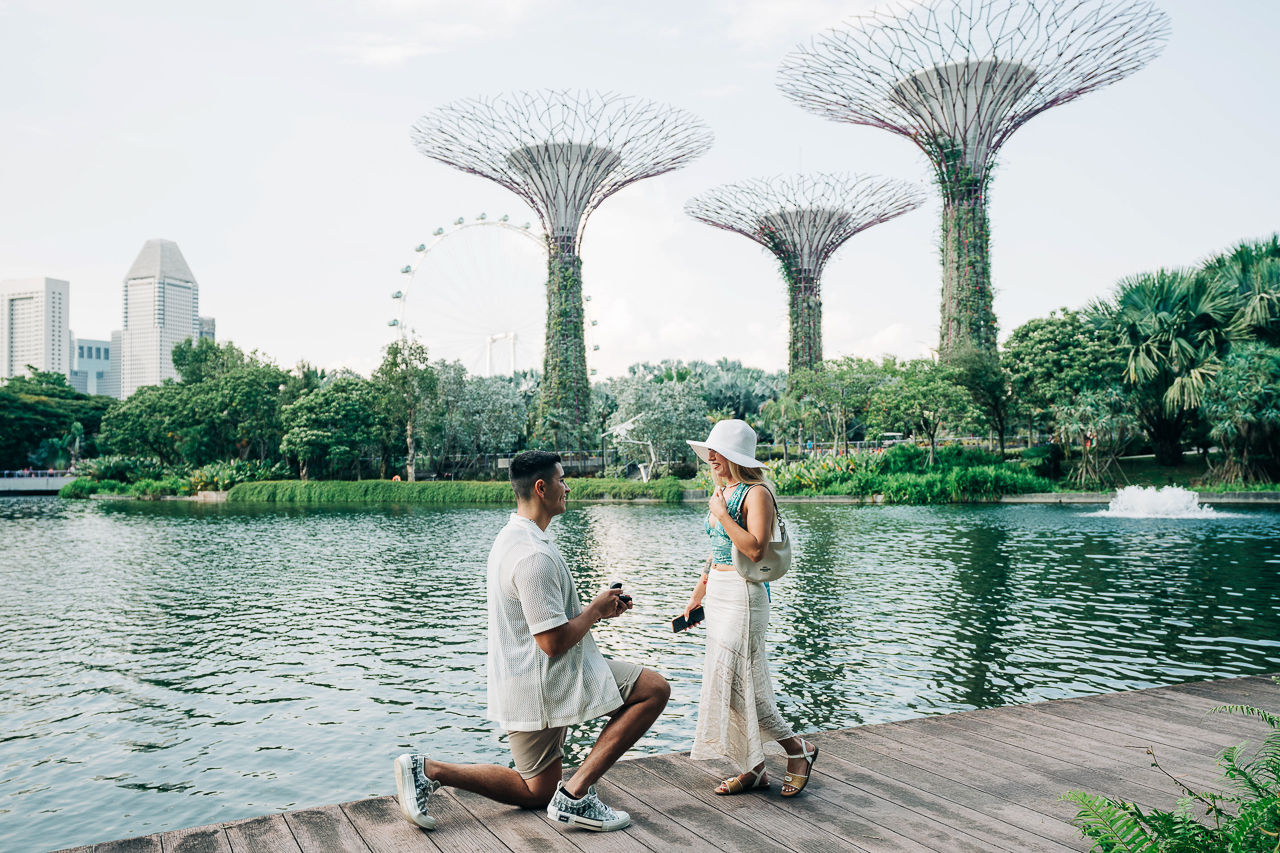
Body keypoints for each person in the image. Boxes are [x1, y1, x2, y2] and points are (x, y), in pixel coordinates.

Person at [394, 450, 670, 833]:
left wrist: (597, 610)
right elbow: (553, 643)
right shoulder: (532, 555)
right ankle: (575, 796)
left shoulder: (514, 536)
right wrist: (594, 611)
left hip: (521, 678)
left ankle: (428, 770)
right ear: (541, 488)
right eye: (561, 479)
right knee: (654, 689)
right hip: (547, 678)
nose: (568, 487)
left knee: (537, 790)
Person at [682, 419, 819, 797]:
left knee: (744, 685)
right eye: (709, 450)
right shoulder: (723, 490)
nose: (710, 456)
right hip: (721, 591)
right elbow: (716, 551)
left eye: (718, 451)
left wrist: (723, 514)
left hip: (745, 593)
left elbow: (756, 548)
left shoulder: (756, 493)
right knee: (730, 685)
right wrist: (699, 592)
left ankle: (798, 750)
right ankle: (754, 768)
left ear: (734, 456)